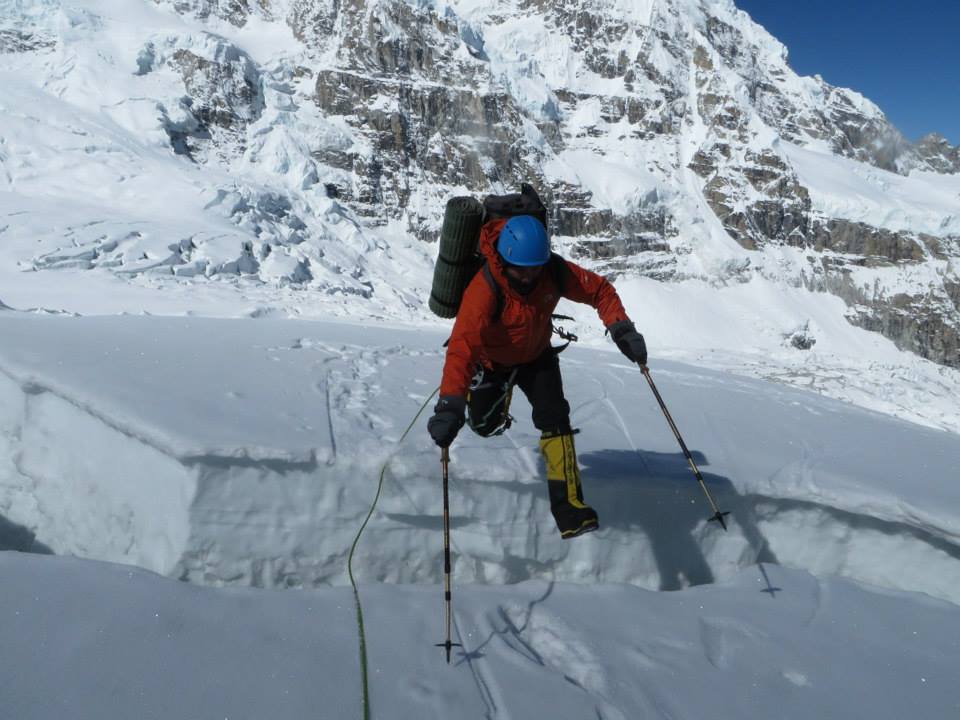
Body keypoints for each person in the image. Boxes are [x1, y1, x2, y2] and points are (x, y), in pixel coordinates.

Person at [427, 214, 648, 538]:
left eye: (535, 267)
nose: (530, 276)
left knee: (555, 417)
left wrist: (621, 328)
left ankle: (571, 510)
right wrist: (450, 405)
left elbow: (598, 290)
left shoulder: (553, 271)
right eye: (522, 269)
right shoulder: (484, 289)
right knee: (484, 426)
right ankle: (492, 407)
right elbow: (462, 348)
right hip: (491, 364)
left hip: (536, 357)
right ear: (504, 260)